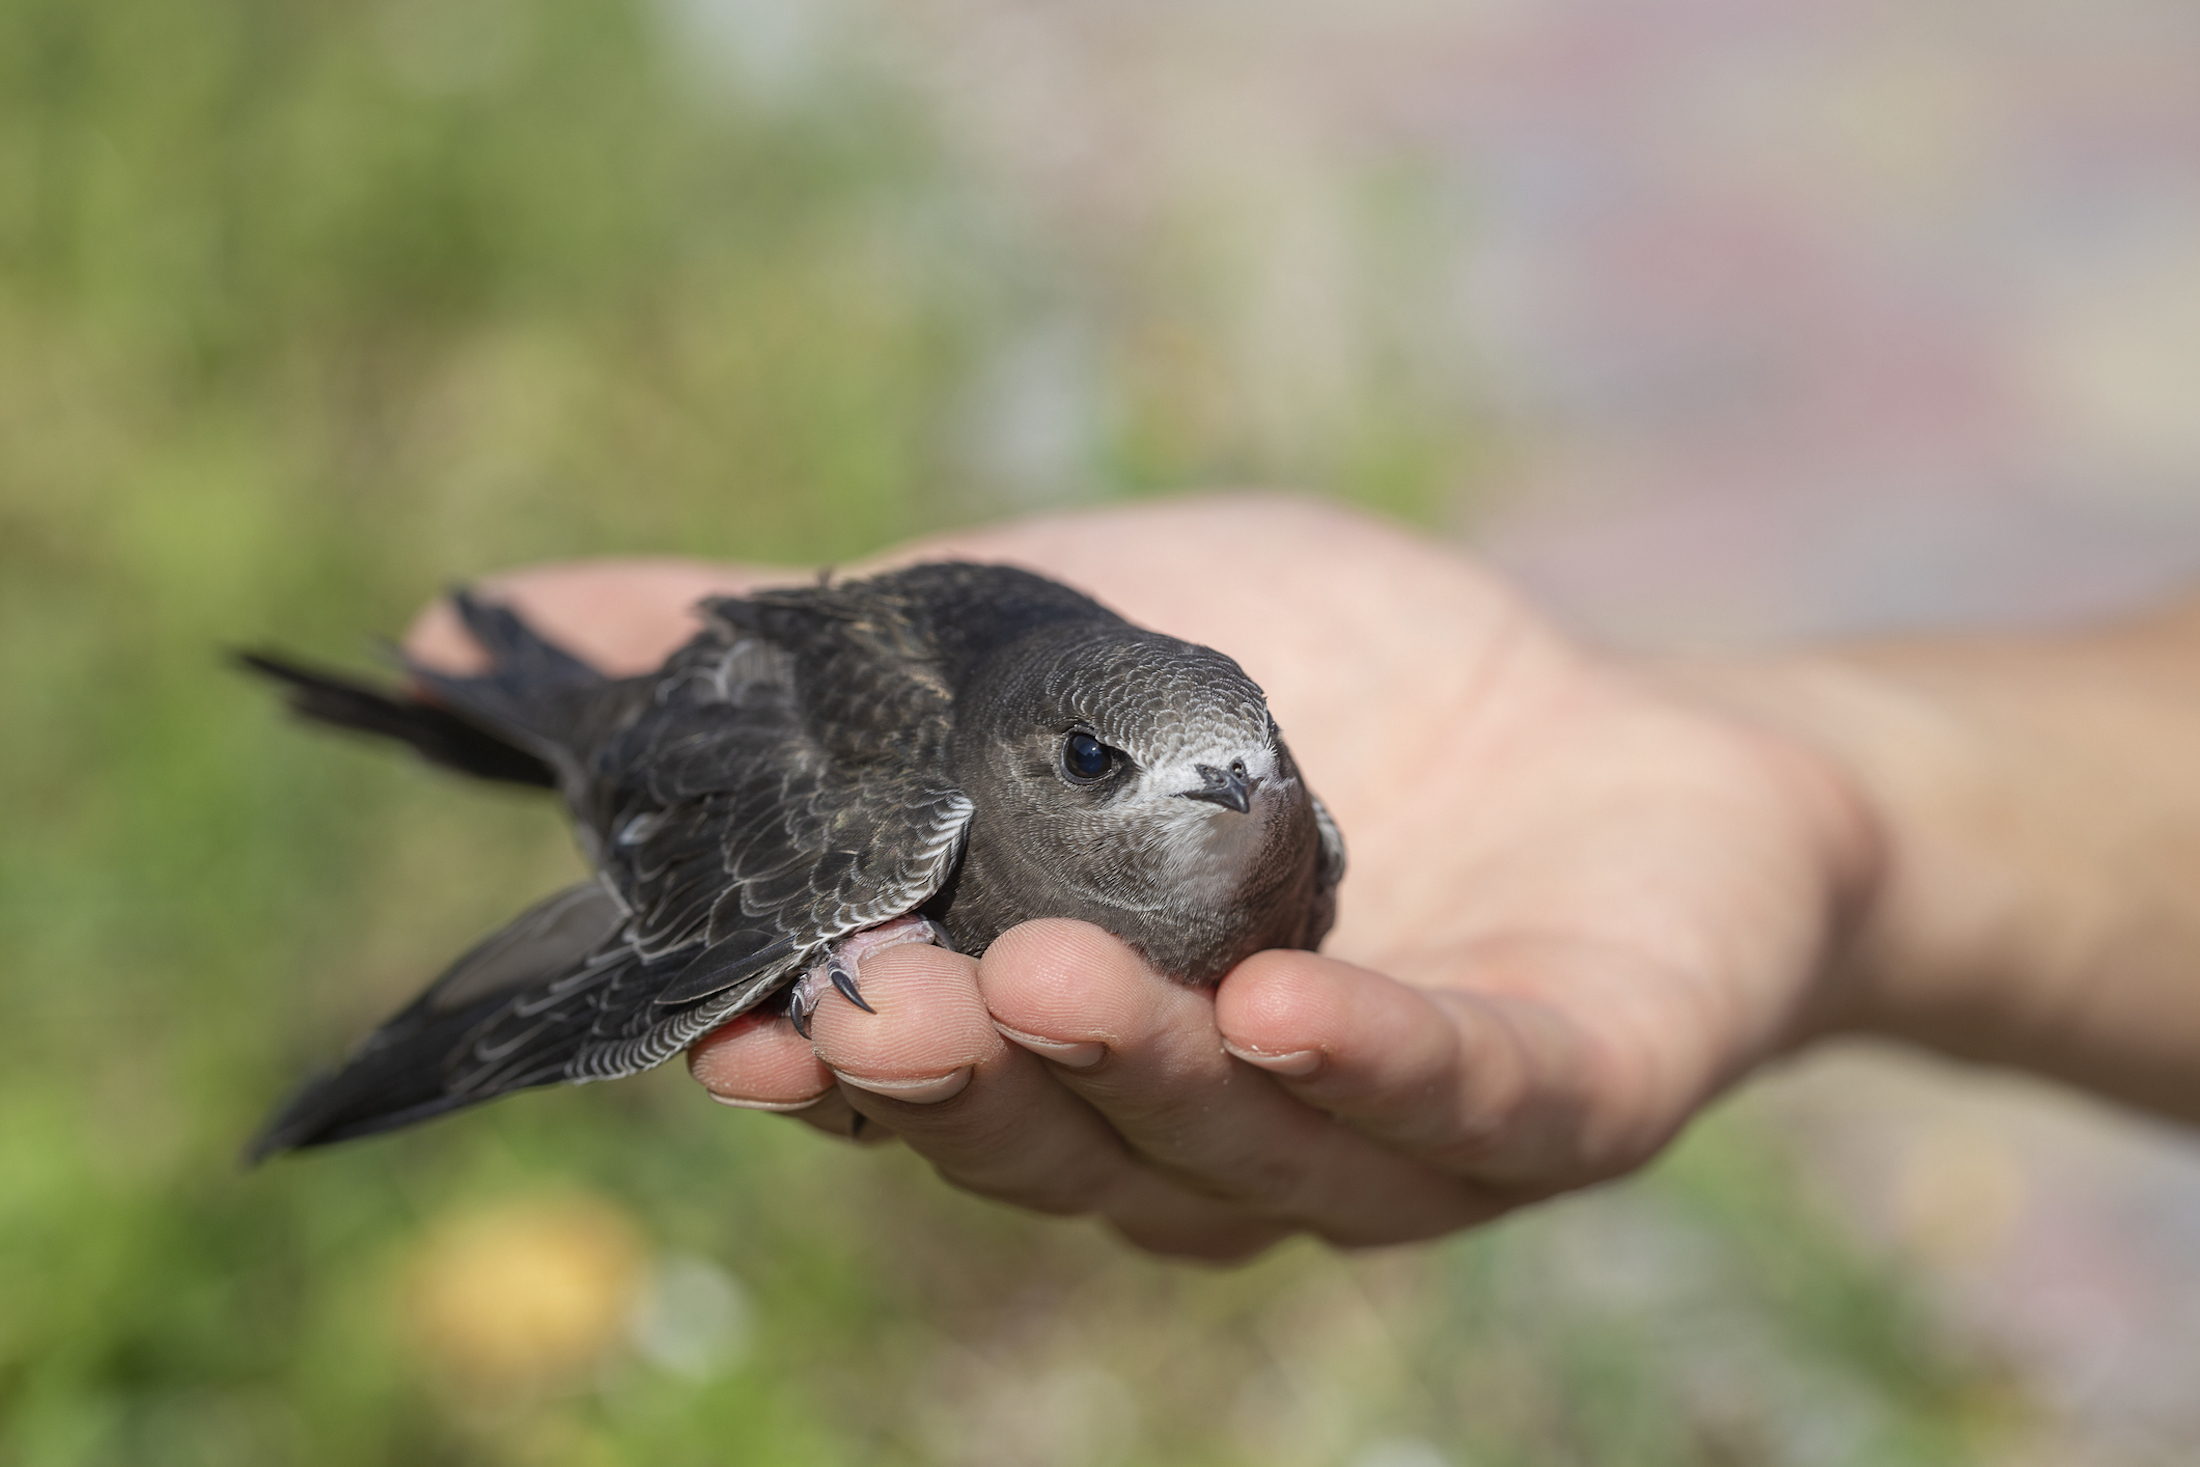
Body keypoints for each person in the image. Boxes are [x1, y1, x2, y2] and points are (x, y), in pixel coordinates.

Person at [405, 495, 2200, 1260]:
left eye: (1252, 758)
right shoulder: (893, 808)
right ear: (1039, 771)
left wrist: (1831, 811)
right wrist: (764, 913)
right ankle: (524, 700)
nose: (1242, 798)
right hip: (778, 714)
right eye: (1133, 774)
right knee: (718, 956)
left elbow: (1222, 778)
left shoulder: (1281, 826)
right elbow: (673, 916)